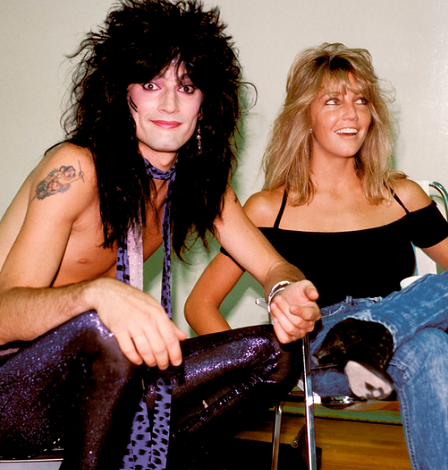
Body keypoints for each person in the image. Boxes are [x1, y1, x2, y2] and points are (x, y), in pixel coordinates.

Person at [0, 1, 321, 469]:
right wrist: (96, 295)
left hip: (101, 388)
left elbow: (273, 265)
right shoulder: (75, 169)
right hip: (14, 392)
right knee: (108, 327)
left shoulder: (197, 181)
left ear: (206, 102)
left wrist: (286, 289)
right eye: (151, 84)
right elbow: (3, 311)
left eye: (186, 87)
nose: (169, 104)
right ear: (119, 91)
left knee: (276, 354)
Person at [185, 43, 448, 469]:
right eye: (333, 101)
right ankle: (378, 333)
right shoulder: (270, 209)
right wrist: (252, 374)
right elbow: (200, 304)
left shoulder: (403, 196)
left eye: (361, 101)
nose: (352, 114)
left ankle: (388, 326)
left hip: (418, 334)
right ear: (304, 116)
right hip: (328, 355)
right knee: (433, 346)